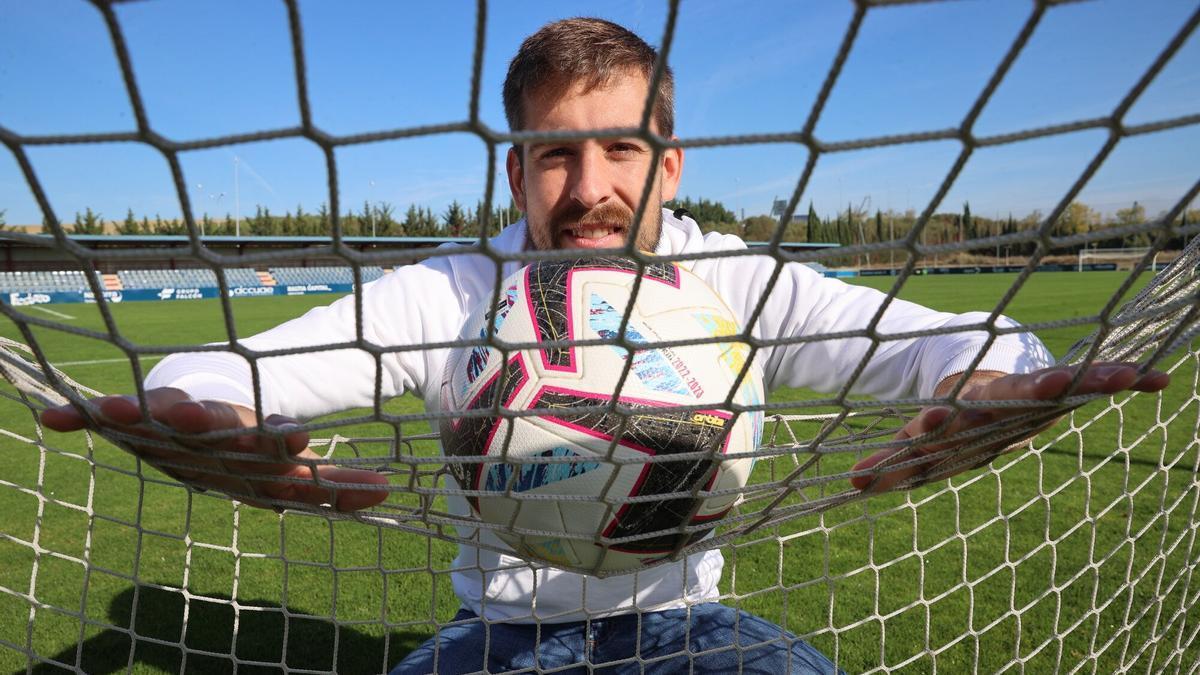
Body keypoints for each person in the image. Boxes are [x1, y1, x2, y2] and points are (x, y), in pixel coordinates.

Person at [41, 18, 1169, 675]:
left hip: (691, 631)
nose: (590, 191)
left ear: (668, 166)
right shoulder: (456, 291)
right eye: (553, 155)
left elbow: (946, 343)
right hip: (500, 637)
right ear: (513, 167)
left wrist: (1003, 376)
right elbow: (224, 372)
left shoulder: (722, 277)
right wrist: (203, 415)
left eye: (622, 149)